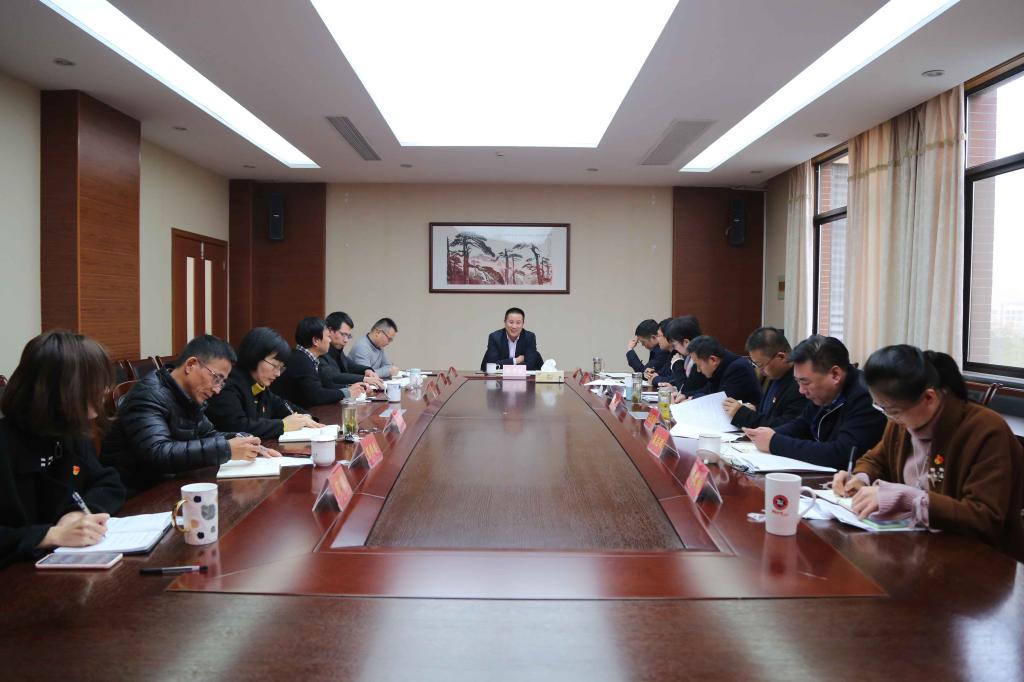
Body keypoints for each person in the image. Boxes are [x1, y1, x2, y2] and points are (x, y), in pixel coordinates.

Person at [832, 346, 1024, 561]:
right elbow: (876, 459)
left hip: (979, 560)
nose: (890, 418)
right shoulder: (901, 421)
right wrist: (859, 478)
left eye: (893, 411)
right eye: (881, 408)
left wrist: (908, 498)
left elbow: (984, 518)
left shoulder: (985, 430)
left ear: (929, 397)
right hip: (916, 548)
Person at [0, 331, 126, 567]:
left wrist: (76, 514)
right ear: (60, 389)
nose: (105, 390)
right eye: (96, 383)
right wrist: (51, 535)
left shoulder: (70, 432)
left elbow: (108, 483)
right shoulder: (7, 443)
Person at [103, 334, 270, 495]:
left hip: (170, 484)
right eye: (216, 378)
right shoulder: (148, 395)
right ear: (191, 365)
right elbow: (159, 452)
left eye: (222, 382)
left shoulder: (188, 395)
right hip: (136, 494)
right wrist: (226, 448)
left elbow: (208, 435)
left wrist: (244, 440)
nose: (217, 389)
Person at [743, 335, 886, 470]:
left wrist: (774, 442)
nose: (801, 390)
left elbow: (842, 454)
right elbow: (802, 424)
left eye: (805, 382)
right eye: (797, 382)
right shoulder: (823, 393)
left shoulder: (867, 396)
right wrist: (767, 434)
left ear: (835, 374)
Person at [206, 327, 323, 440]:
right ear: (255, 356)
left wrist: (305, 417)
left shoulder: (258, 384)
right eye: (274, 365)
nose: (278, 373)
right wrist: (282, 425)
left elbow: (280, 405)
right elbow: (236, 426)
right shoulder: (228, 383)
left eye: (281, 368)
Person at [274, 317, 366, 409]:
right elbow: (317, 396)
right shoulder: (301, 360)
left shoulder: (306, 357)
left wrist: (351, 388)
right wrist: (348, 392)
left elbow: (326, 385)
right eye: (328, 337)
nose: (330, 340)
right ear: (315, 341)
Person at [726, 327, 808, 429]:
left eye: (761, 365)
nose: (760, 371)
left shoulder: (800, 386)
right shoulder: (776, 375)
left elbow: (785, 426)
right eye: (756, 365)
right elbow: (770, 413)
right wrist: (755, 409)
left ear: (781, 357)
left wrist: (744, 415)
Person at [685, 335, 762, 405]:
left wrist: (693, 398)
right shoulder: (722, 365)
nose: (698, 370)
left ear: (713, 360)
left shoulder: (738, 369)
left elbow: (721, 403)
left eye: (698, 365)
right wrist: (686, 395)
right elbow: (707, 390)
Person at [321, 312, 384, 390]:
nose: (346, 340)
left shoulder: (337, 350)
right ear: (330, 331)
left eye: (348, 336)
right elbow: (334, 376)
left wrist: (367, 370)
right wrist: (364, 379)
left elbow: (351, 366)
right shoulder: (321, 351)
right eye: (343, 334)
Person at [664, 315, 707, 396]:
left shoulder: (701, 358)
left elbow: (686, 390)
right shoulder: (688, 356)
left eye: (675, 345)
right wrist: (675, 388)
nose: (675, 349)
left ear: (686, 342)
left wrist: (677, 364)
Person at [648, 318, 675, 387]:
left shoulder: (680, 356)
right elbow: (662, 373)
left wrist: (655, 379)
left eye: (659, 336)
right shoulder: (671, 354)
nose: (657, 339)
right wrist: (651, 374)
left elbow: (675, 380)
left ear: (668, 336)